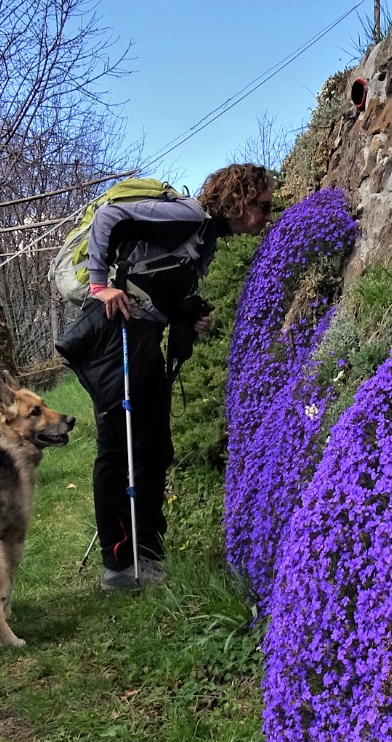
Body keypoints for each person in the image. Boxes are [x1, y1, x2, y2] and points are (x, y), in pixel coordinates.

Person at [61, 163, 274, 590]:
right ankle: (120, 564)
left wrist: (185, 314)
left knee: (154, 448)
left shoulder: (206, 237)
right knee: (121, 449)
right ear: (239, 199)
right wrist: (100, 284)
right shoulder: (189, 217)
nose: (267, 217)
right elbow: (109, 217)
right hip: (117, 332)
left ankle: (149, 554)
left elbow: (156, 281)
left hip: (142, 338)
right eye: (263, 207)